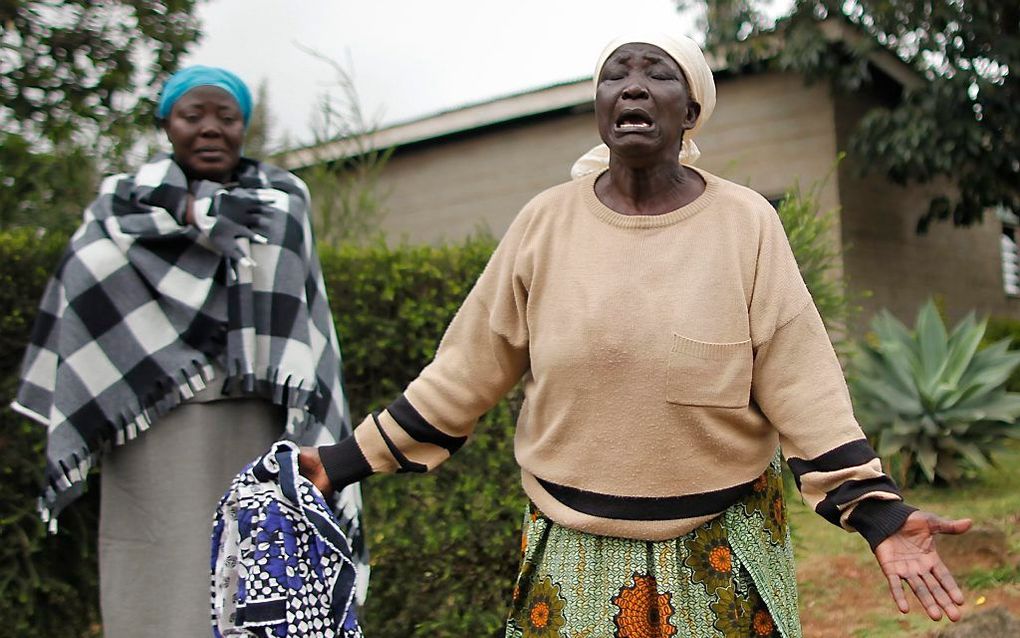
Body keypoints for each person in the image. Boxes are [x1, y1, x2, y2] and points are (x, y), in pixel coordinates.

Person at [298, 34, 971, 637]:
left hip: (722, 544)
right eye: (616, 74)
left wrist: (877, 513)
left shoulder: (745, 224)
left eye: (659, 74)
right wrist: (342, 463)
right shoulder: (545, 223)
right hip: (575, 544)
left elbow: (802, 381)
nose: (633, 85)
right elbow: (464, 372)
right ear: (601, 107)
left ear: (691, 112)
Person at [12, 66, 366, 637]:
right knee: (156, 563)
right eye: (192, 115)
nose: (209, 128)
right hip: (148, 425)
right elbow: (84, 280)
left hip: (257, 420)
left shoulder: (283, 201)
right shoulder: (118, 206)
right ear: (166, 124)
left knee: (258, 566)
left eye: (226, 117)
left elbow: (305, 320)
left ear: (244, 127)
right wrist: (190, 232)